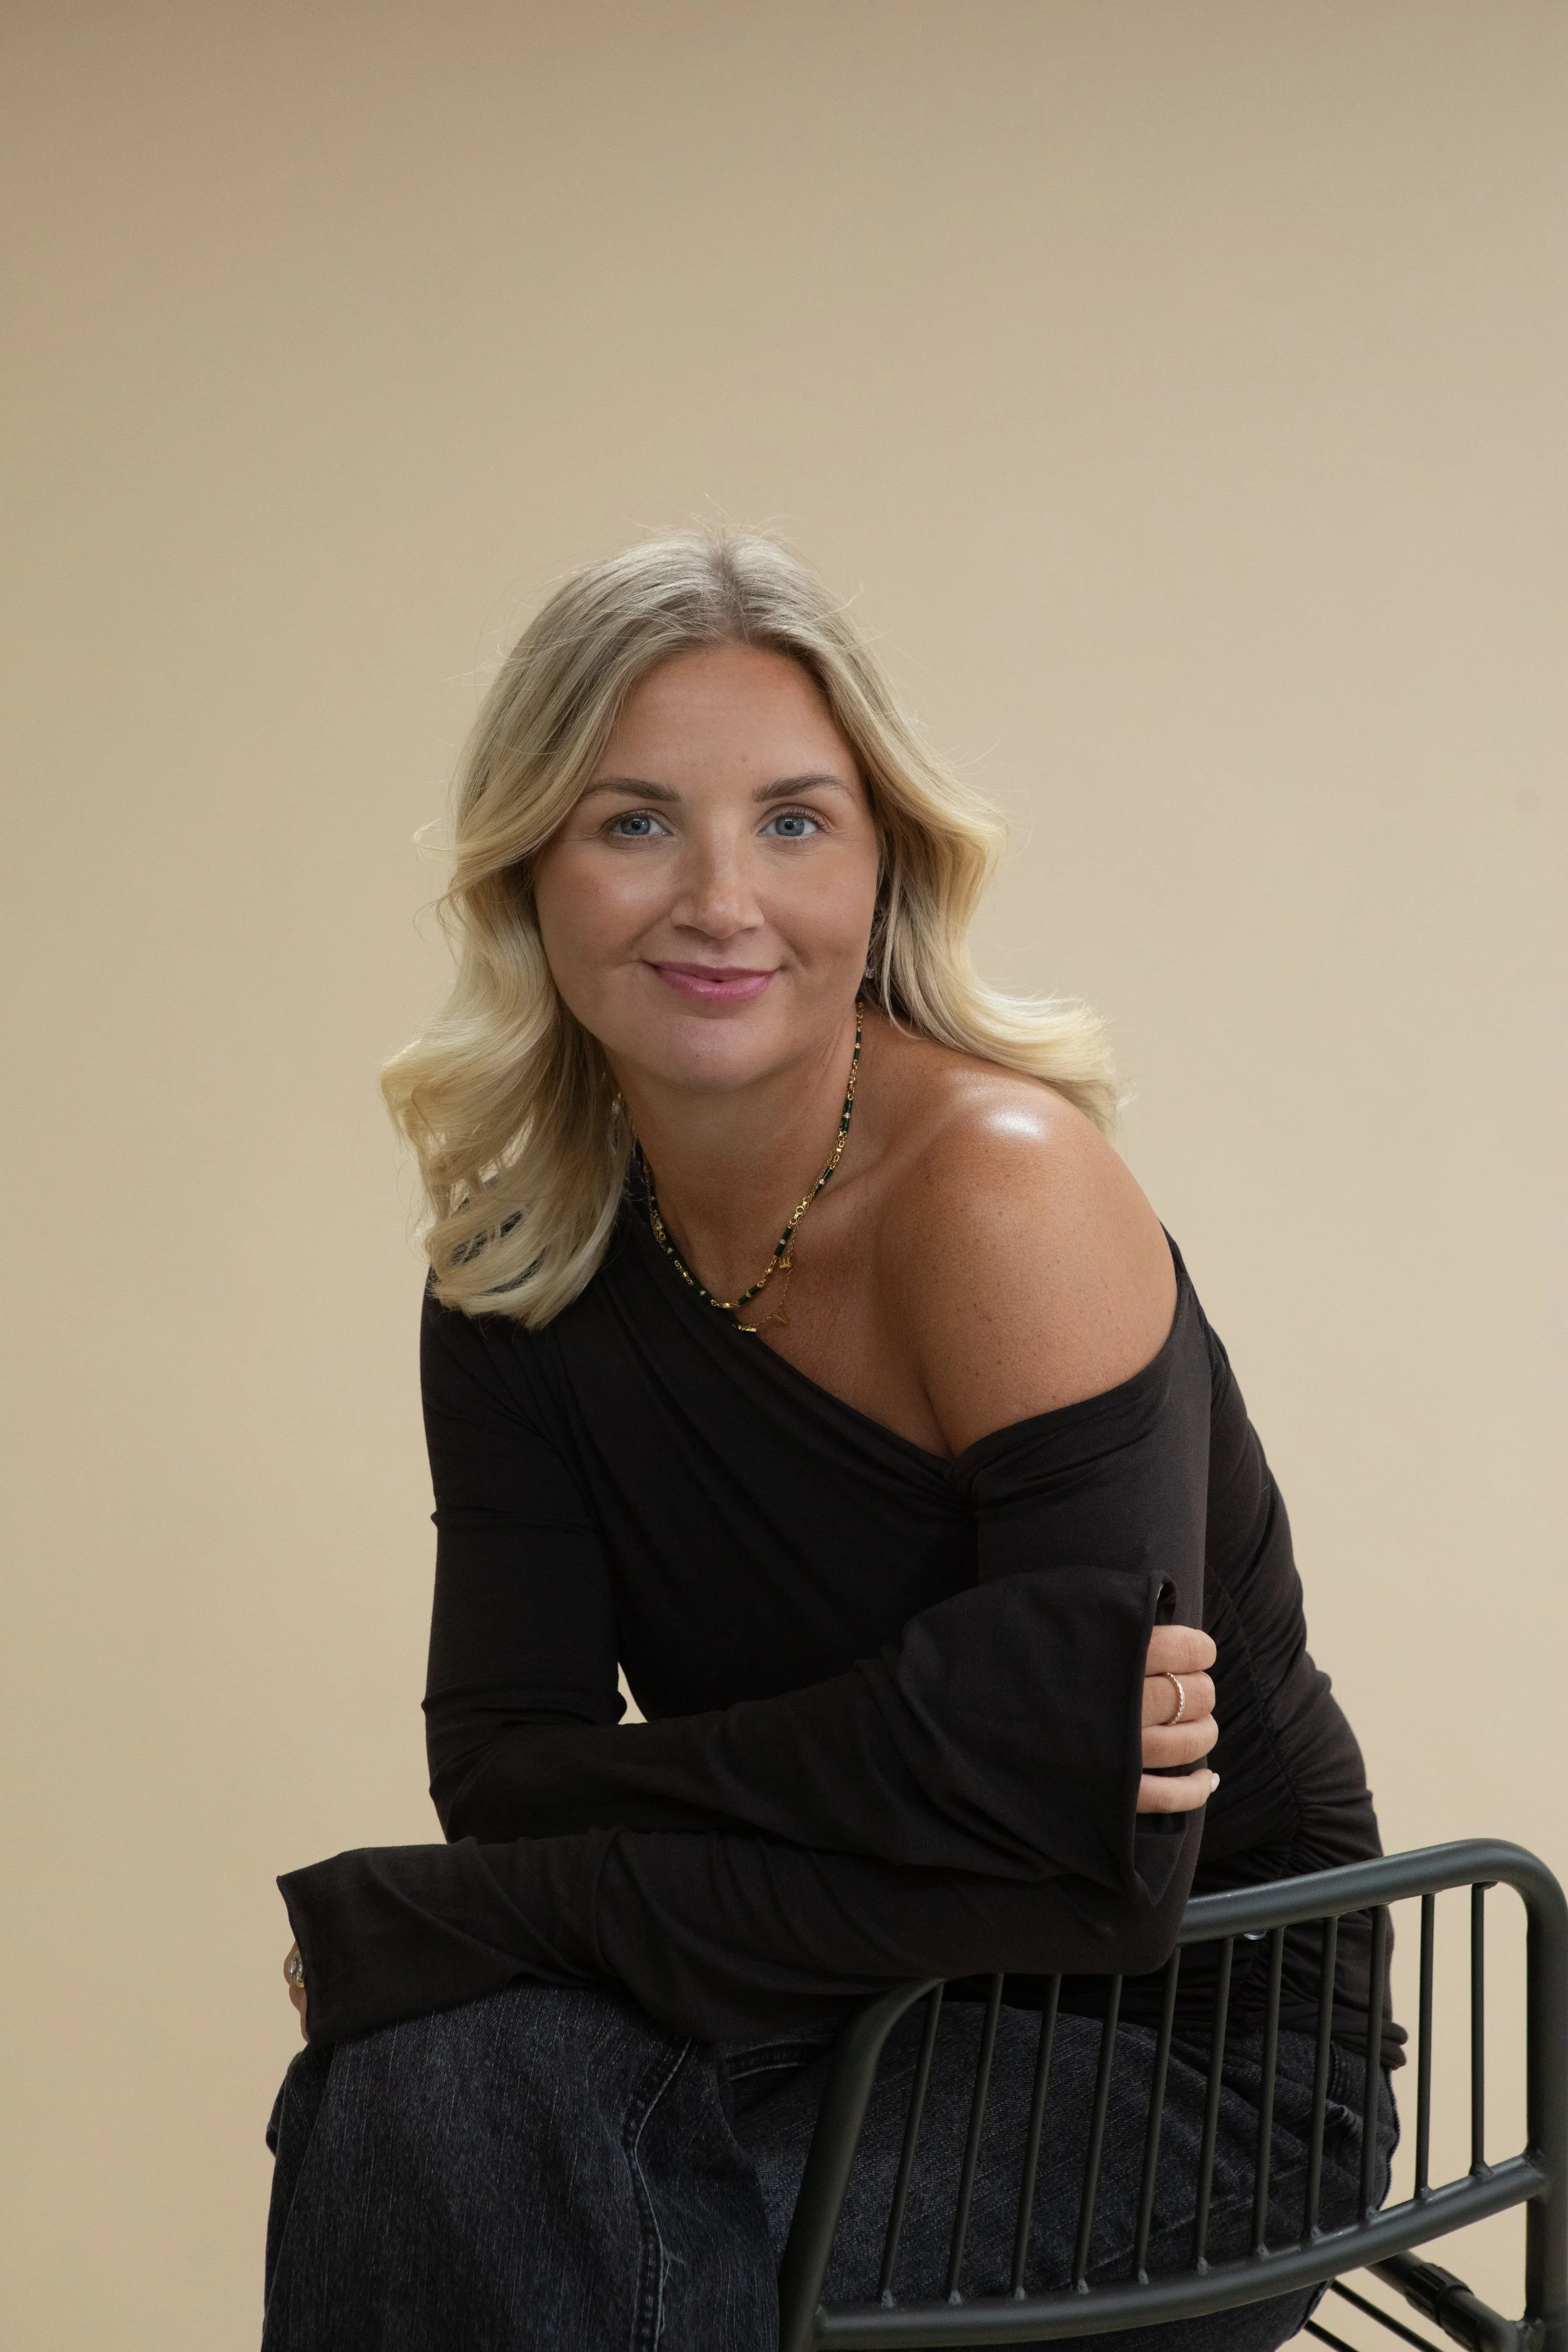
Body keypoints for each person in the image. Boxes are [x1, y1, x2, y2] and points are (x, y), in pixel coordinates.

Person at [262, 531, 1397, 2351]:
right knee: (427, 2091)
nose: (721, 897)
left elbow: (1088, 1875)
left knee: (510, 2131)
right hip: (806, 1997)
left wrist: (456, 1907)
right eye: (635, 821)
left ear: (882, 866)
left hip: (1176, 2057)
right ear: (530, 870)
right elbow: (503, 1774)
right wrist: (958, 1726)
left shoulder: (997, 1193)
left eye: (792, 821)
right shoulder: (515, 1262)